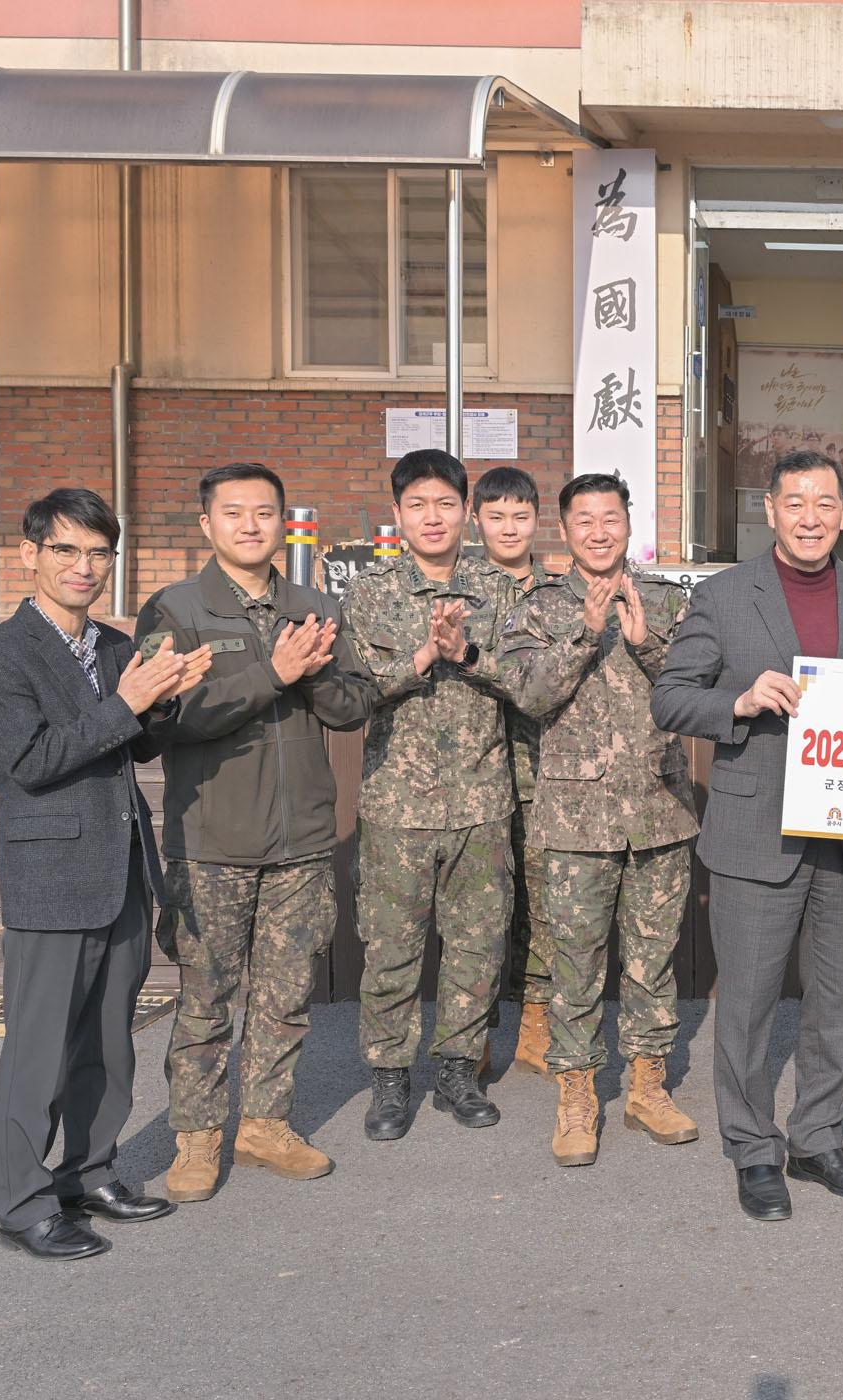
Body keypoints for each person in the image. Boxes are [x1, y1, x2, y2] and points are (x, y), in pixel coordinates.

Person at [651, 449, 843, 1222]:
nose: (810, 517)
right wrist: (739, 699)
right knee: (748, 1004)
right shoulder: (724, 596)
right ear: (769, 510)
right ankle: (753, 1149)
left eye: (825, 502)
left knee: (838, 1002)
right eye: (795, 502)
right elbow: (671, 698)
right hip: (754, 828)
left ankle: (819, 1140)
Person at [0, 488, 210, 1259]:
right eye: (66, 549)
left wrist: (161, 703)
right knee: (37, 1052)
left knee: (109, 1042)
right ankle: (20, 1201)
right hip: (50, 875)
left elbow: (138, 747)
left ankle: (89, 1171)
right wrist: (129, 701)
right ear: (29, 555)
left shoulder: (113, 645)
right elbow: (31, 760)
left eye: (99, 552)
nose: (84, 566)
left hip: (122, 868)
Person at [135, 462, 374, 1203]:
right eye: (233, 512)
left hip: (302, 837)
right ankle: (197, 1135)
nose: (249, 525)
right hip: (213, 841)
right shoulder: (176, 609)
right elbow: (170, 718)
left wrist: (312, 672)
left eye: (264, 512)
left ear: (284, 525)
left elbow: (354, 707)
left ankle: (266, 1124)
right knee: (206, 997)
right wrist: (271, 673)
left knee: (285, 994)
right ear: (205, 524)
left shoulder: (314, 606)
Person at [497, 473, 701, 1167]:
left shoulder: (666, 600)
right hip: (575, 817)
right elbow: (529, 696)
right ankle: (577, 1095)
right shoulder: (539, 606)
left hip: (659, 807)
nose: (598, 531)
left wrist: (647, 645)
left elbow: (698, 689)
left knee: (652, 960)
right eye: (583, 520)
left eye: (610, 517)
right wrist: (585, 633)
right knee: (575, 964)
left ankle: (648, 1085)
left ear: (629, 523)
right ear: (564, 530)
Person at [345, 448, 519, 1140]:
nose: (433, 517)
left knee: (476, 946)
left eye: (446, 503)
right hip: (398, 803)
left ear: (466, 512)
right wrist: (422, 656)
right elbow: (353, 690)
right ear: (397, 514)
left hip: (482, 800)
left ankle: (457, 1070)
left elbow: (528, 679)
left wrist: (468, 654)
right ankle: (390, 1077)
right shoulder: (370, 592)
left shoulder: (499, 589)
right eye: (417, 505)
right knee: (391, 948)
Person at [468, 465, 553, 1075]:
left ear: (537, 521)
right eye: (495, 516)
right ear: (476, 521)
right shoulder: (459, 590)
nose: (508, 528)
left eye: (520, 516)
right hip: (471, 778)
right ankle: (472, 1033)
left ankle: (535, 1024)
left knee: (543, 906)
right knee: (477, 913)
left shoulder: (558, 593)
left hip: (544, 772)